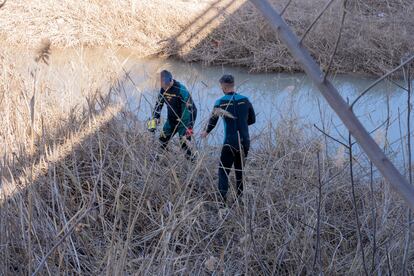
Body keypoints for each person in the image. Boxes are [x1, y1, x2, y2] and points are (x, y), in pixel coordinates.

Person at [201, 74, 256, 204]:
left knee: (223, 171)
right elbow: (252, 120)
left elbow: (212, 121)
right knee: (239, 170)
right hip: (244, 141)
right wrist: (241, 124)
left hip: (230, 142)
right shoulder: (245, 100)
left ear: (223, 87)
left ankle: (222, 202)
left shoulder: (220, 102)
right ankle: (240, 199)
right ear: (233, 84)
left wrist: (205, 132)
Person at [149, 70, 197, 158]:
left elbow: (194, 109)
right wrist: (154, 120)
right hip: (171, 121)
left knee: (185, 147)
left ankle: (193, 165)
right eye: (162, 86)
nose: (165, 88)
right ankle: (160, 161)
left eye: (166, 85)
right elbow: (158, 105)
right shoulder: (163, 89)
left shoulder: (181, 90)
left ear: (171, 80)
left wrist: (190, 127)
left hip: (184, 123)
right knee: (162, 141)